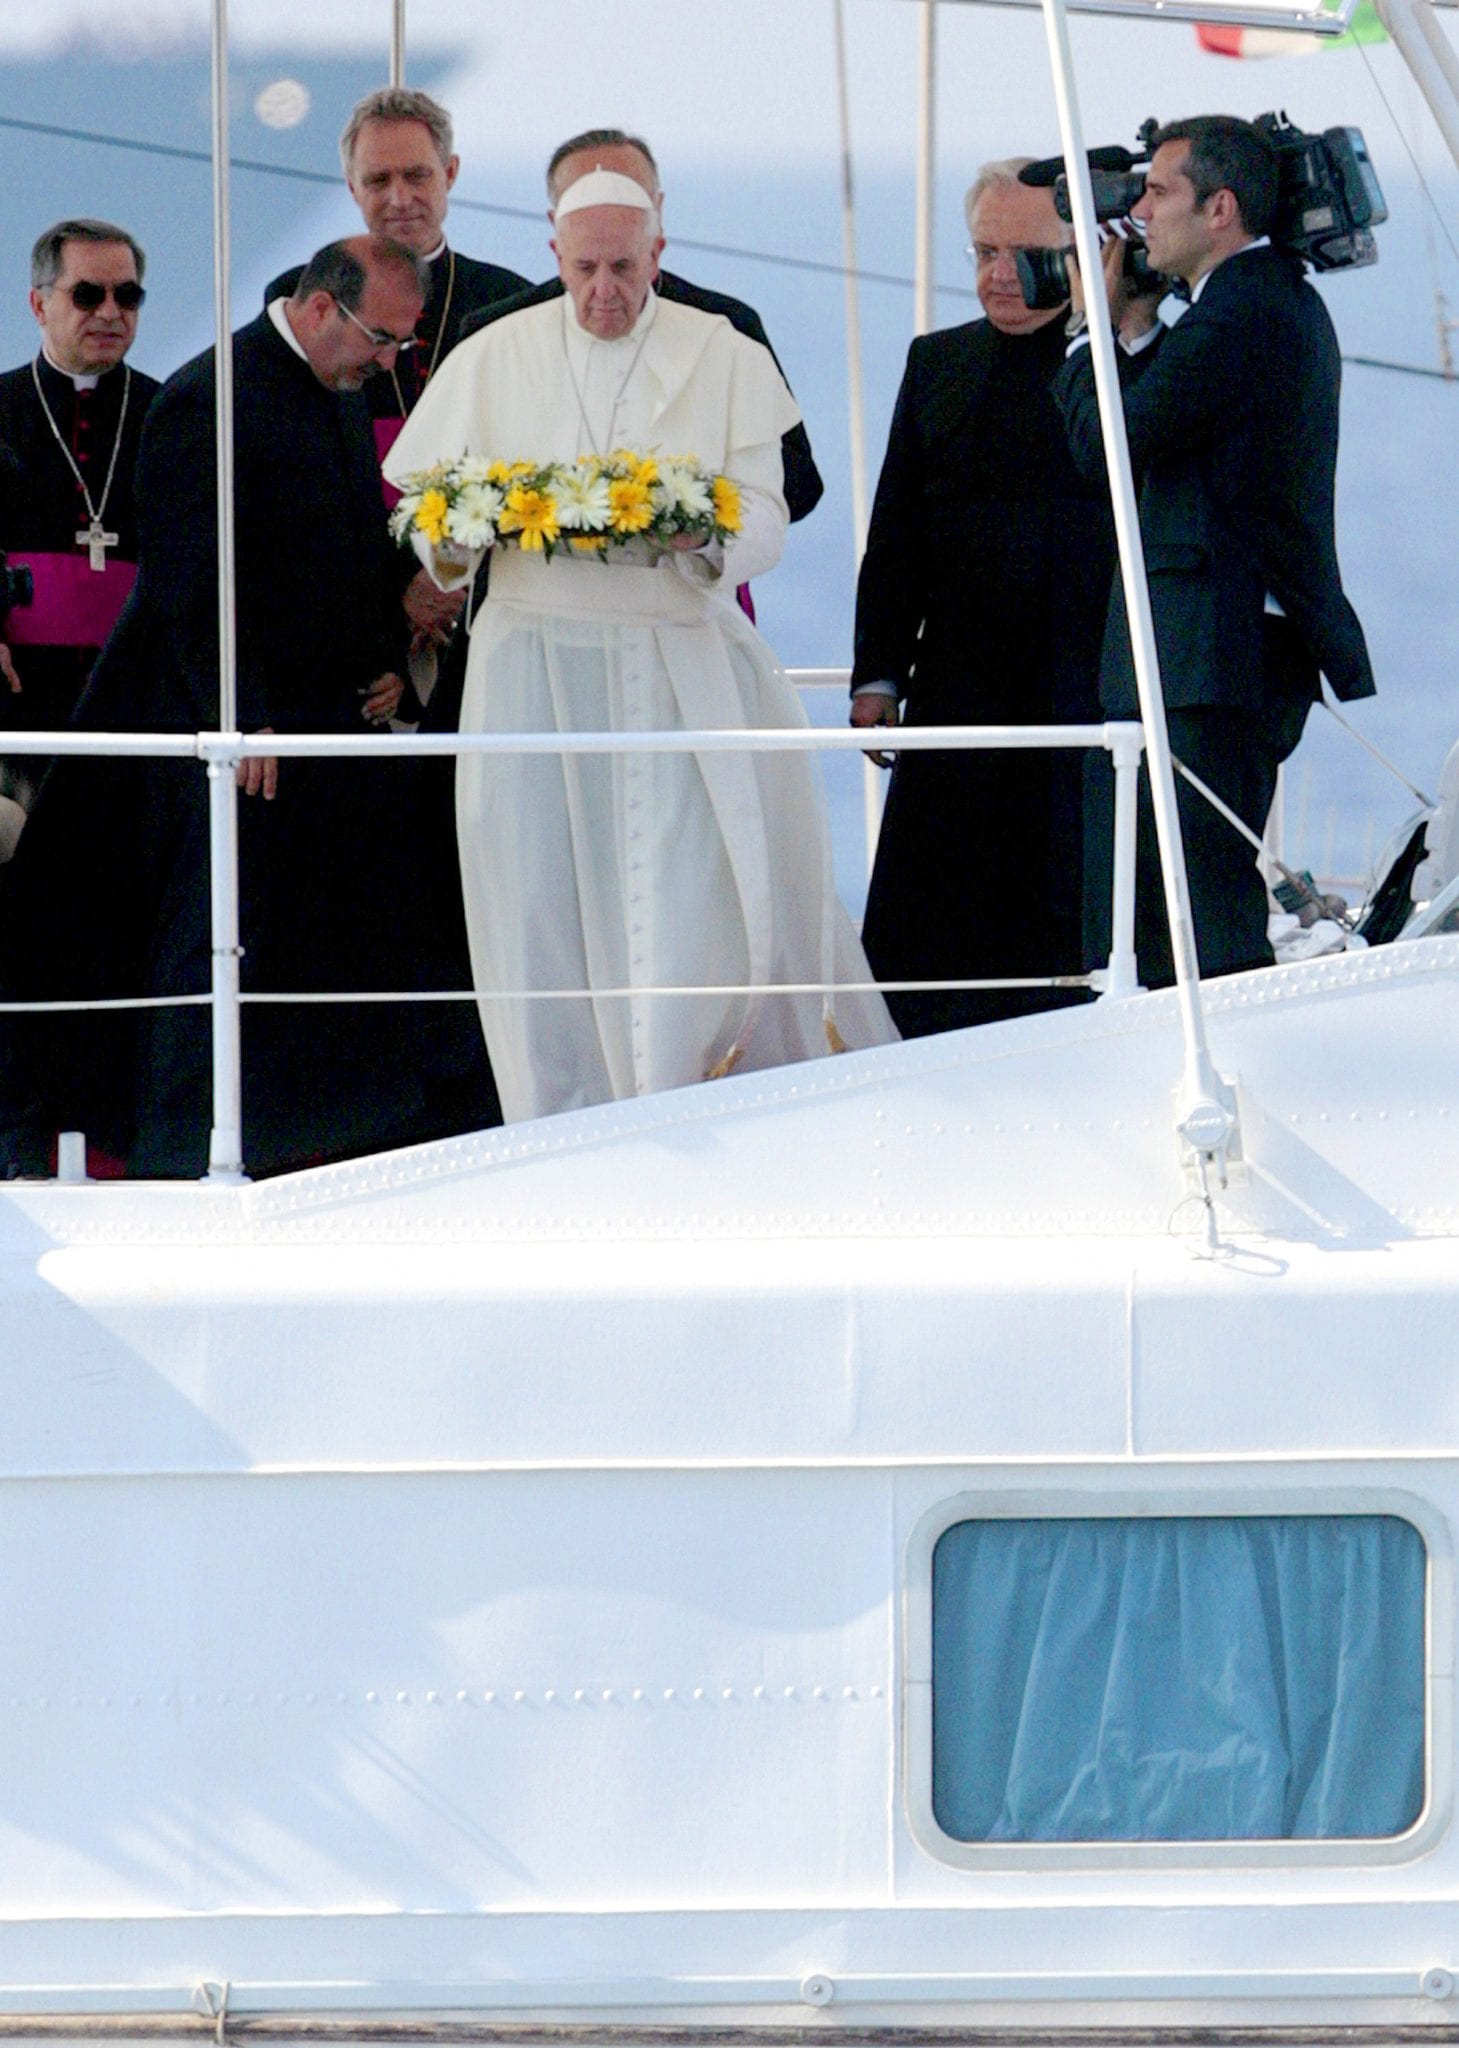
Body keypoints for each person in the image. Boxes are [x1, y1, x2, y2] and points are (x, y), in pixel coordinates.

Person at [383, 163, 895, 1123]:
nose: (604, 293)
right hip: (528, 663)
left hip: (678, 654)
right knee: (534, 895)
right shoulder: (493, 353)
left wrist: (706, 535)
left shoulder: (723, 352)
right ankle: (560, 1113)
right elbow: (426, 519)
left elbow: (771, 517)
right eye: (584, 270)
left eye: (624, 267)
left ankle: (694, 1098)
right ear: (554, 256)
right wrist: (452, 538)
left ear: (659, 253)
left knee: (692, 890)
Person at [1, 236, 496, 1178]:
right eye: (380, 339)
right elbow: (193, 585)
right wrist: (245, 719)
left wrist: (387, 651)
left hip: (316, 719)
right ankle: (193, 1146)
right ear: (319, 309)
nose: (389, 362)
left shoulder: (335, 389)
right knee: (217, 937)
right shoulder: (207, 400)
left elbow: (351, 541)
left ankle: (349, 1133)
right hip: (214, 729)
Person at [1054, 114, 1375, 987]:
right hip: (1210, 652)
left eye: (1157, 193)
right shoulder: (1253, 305)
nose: (1138, 216)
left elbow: (1107, 446)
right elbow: (1181, 428)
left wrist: (1088, 327)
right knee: (1161, 908)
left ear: (1220, 208)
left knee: (1193, 909)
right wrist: (1135, 332)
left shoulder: (1243, 308)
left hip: (1208, 658)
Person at [849, 163, 1115, 1037]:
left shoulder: (1113, 368)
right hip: (958, 689)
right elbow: (895, 540)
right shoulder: (938, 363)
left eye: (1026, 254)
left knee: (1061, 941)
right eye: (985, 250)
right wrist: (878, 677)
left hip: (1076, 693)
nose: (999, 273)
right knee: (927, 949)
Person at [266, 87, 532, 689]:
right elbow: (297, 471)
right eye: (378, 180)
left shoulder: (512, 304)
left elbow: (528, 458)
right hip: (349, 604)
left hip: (488, 602)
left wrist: (449, 574)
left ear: (451, 173)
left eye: (417, 175)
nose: (399, 199)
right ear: (352, 186)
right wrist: (399, 589)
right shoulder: (303, 298)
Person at [458, 128, 823, 531]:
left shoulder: (727, 328)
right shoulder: (496, 333)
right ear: (556, 224)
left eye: (626, 195)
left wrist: (684, 502)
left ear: (657, 212)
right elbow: (456, 486)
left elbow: (799, 486)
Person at [0, 219, 160, 824]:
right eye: (88, 294)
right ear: (39, 304)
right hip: (19, 692)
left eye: (128, 296)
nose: (111, 312)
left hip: (133, 689)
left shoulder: (168, 414)